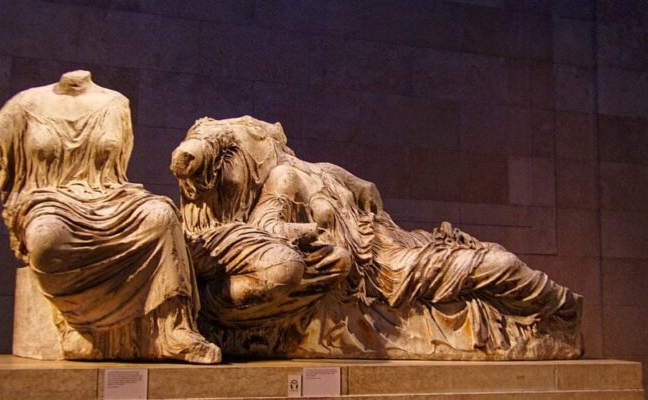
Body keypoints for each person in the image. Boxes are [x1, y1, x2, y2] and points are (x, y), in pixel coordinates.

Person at [171, 116, 583, 360]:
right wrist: (308, 230)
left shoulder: (320, 168)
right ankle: (563, 310)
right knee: (496, 265)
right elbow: (268, 231)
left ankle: (559, 313)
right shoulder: (282, 179)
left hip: (395, 243)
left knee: (492, 257)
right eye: (257, 138)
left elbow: (366, 189)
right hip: (384, 272)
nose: (267, 139)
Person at [0, 70, 220, 363]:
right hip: (49, 199)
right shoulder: (26, 103)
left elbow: (117, 167)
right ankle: (79, 326)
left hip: (108, 195)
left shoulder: (115, 102)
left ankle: (172, 330)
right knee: (46, 239)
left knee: (160, 215)